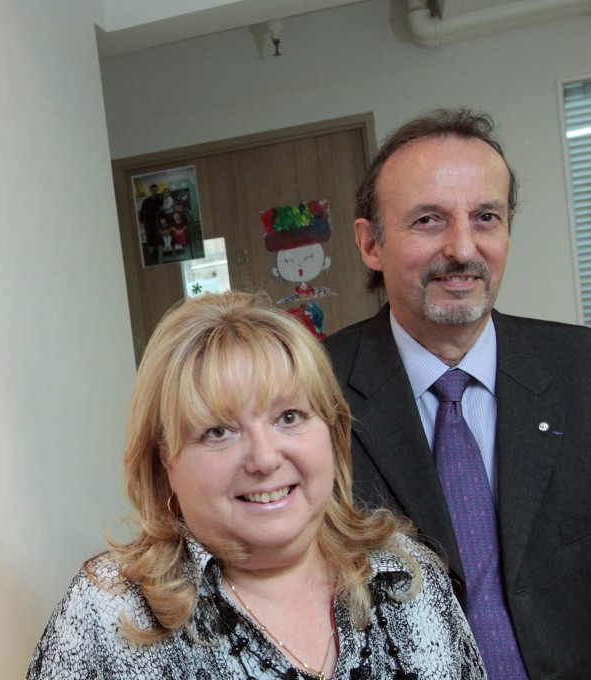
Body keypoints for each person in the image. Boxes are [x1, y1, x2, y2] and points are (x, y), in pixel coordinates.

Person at [29, 291, 485, 679]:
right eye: (218, 431)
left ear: (332, 429)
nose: (265, 458)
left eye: (290, 417)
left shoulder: (410, 576)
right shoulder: (110, 612)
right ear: (165, 458)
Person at [323, 108, 591, 679]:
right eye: (428, 220)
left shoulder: (582, 370)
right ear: (371, 243)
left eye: (486, 217)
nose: (463, 248)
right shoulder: (312, 393)